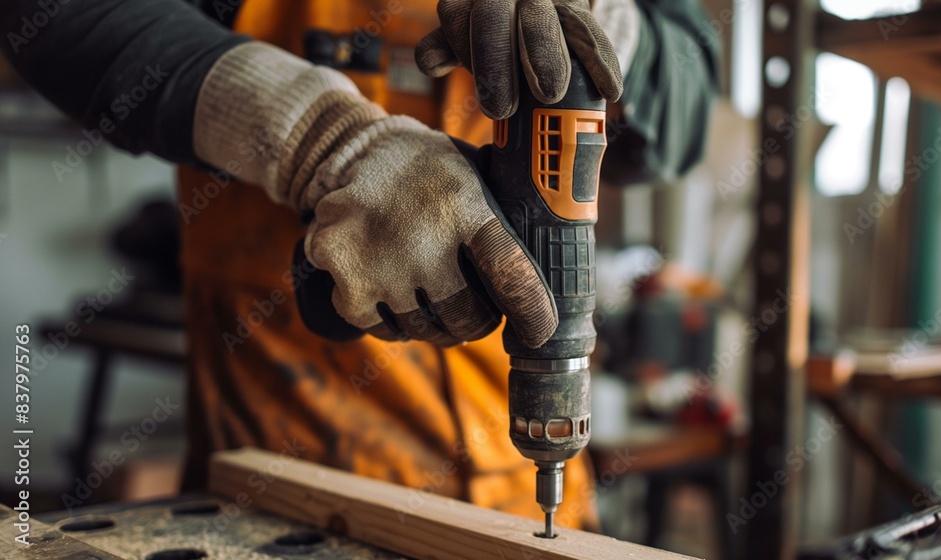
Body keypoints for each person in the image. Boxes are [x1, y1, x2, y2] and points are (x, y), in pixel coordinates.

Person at [1, 0, 717, 530]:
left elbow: (688, 92)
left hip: (505, 485)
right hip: (286, 490)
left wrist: (609, 25)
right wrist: (320, 140)